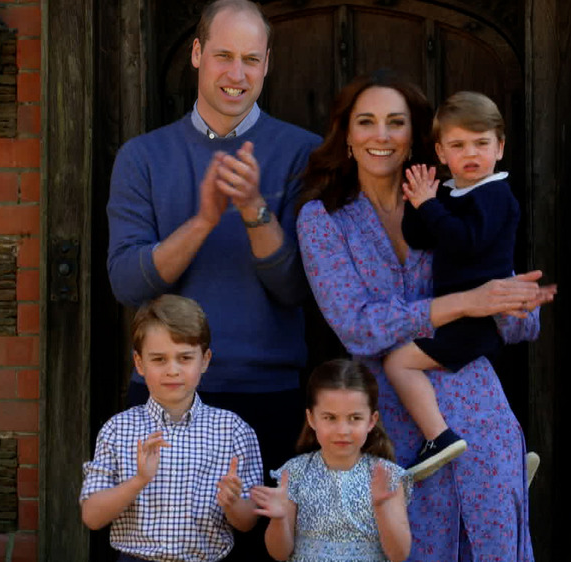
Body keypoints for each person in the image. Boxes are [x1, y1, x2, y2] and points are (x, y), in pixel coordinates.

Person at [296, 70, 555, 561]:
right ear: (347, 136)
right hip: (389, 422)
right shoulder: (324, 219)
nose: (381, 135)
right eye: (366, 122)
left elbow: (515, 317)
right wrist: (462, 303)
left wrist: (517, 303)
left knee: (493, 546)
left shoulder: (455, 200)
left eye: (395, 122)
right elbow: (356, 324)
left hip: (479, 410)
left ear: (414, 136)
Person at [106, 1, 321, 558]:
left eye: (251, 59)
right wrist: (203, 220)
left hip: (268, 396)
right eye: (223, 55)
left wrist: (252, 209)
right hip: (165, 398)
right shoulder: (143, 157)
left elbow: (300, 287)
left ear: (268, 64)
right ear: (197, 54)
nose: (236, 73)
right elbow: (128, 284)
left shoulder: (303, 154)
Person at [382, 91, 525, 481]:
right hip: (457, 314)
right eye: (458, 145)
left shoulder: (496, 194)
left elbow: (466, 242)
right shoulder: (452, 192)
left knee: (398, 362)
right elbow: (420, 237)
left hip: (476, 320)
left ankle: (438, 437)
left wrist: (431, 205)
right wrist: (418, 201)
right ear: (442, 154)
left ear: (500, 147)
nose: (471, 154)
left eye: (481, 143)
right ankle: (503, 459)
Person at [80, 294, 263, 562]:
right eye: (159, 359)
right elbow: (92, 517)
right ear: (139, 363)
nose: (173, 370)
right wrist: (138, 481)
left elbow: (248, 523)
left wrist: (233, 503)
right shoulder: (118, 430)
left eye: (185, 358)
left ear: (205, 360)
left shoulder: (233, 431)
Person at [251, 359, 411, 562]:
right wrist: (279, 519)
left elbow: (399, 555)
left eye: (355, 418)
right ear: (311, 419)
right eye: (330, 418)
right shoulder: (294, 473)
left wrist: (381, 508)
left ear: (371, 421)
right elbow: (279, 553)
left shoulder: (387, 476)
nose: (342, 430)